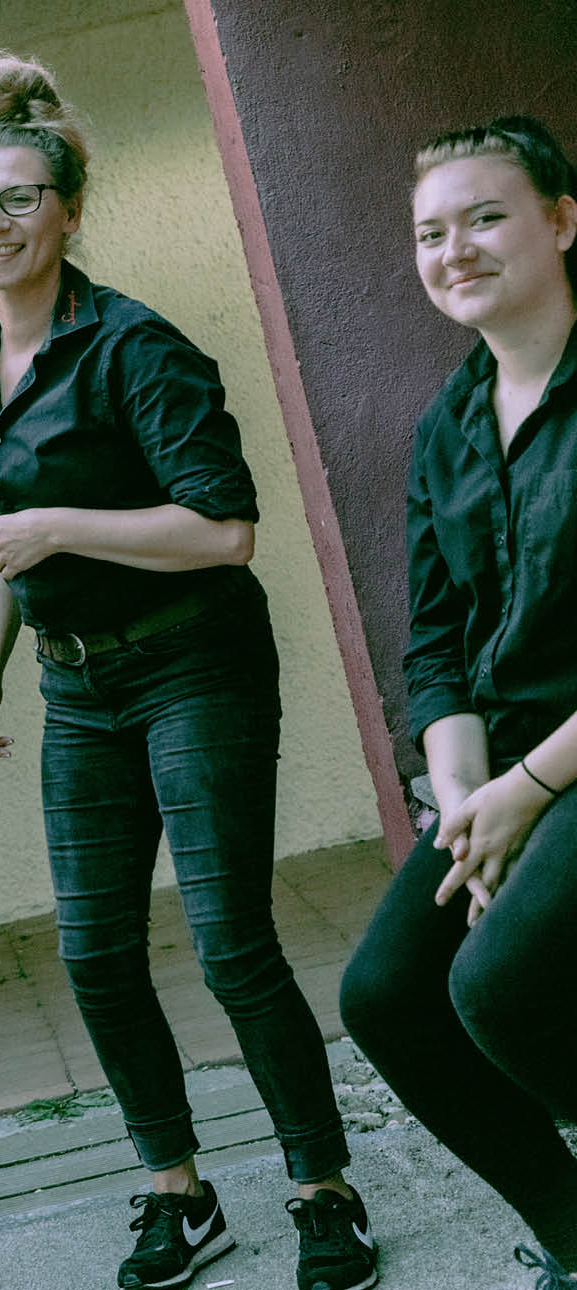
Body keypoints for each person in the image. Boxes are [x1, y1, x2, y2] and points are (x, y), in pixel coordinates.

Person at [0, 52, 375, 1290]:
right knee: (94, 953)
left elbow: (224, 530)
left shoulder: (136, 349)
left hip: (195, 665)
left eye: (18, 199)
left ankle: (323, 1188)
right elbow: (0, 539)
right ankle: (177, 1191)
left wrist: (63, 526)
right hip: (77, 687)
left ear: (69, 210)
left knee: (230, 942)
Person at [338, 116, 577, 1290]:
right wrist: (465, 806)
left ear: (561, 222)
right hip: (509, 766)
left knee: (500, 988)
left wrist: (523, 792)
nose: (455, 250)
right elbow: (435, 648)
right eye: (431, 233)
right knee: (387, 996)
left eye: (486, 217)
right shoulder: (445, 427)